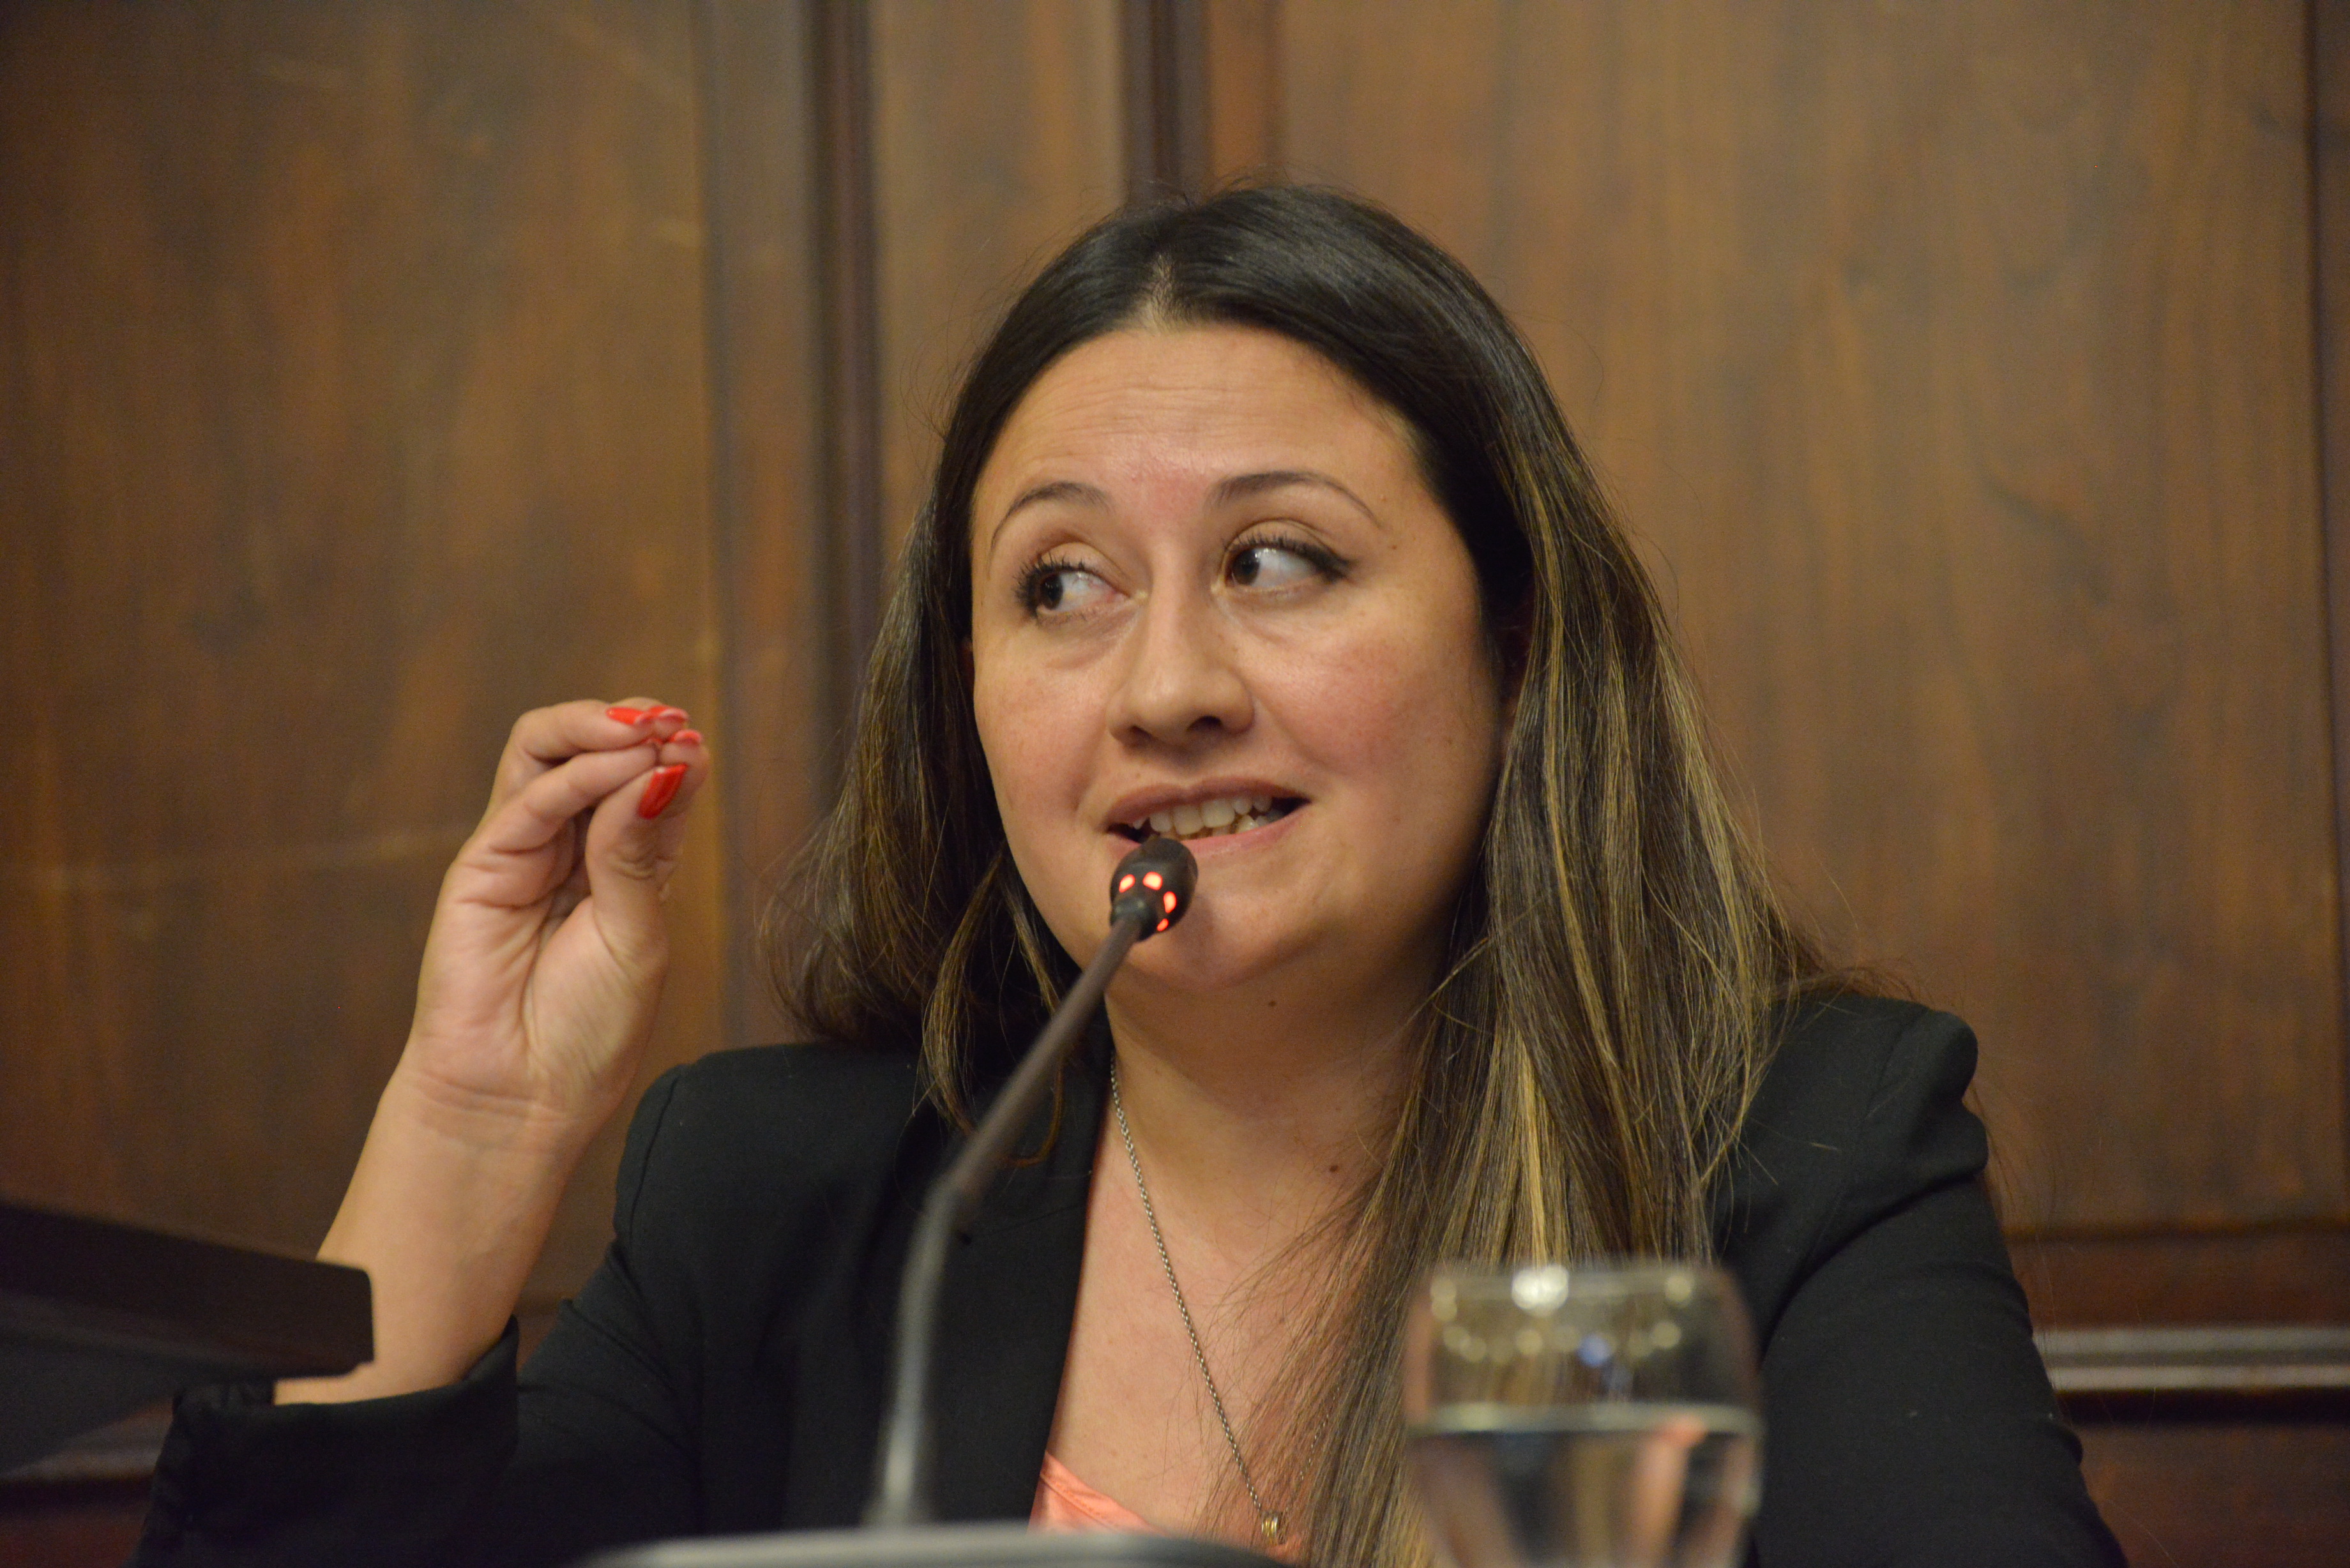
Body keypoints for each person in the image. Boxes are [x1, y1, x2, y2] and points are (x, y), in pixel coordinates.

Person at [132, 186, 2122, 1568]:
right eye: (1064, 587)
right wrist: (472, 1125)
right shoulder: (786, 1208)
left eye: (1278, 561)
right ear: (972, 698)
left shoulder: (1785, 1163)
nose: (1168, 689)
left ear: (1515, 648)